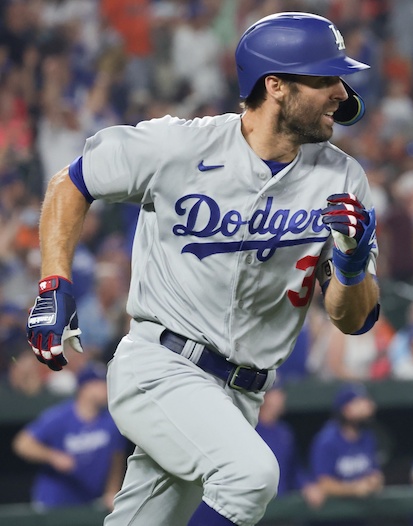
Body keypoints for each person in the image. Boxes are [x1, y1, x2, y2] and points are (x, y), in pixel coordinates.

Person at [25, 12, 380, 526]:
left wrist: (348, 265)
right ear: (274, 85)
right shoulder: (180, 146)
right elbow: (71, 182)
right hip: (160, 365)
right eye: (324, 79)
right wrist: (54, 282)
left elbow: (354, 318)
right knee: (250, 475)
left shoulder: (343, 178)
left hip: (242, 393)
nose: (341, 93)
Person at [12, 362, 127, 511]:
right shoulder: (60, 417)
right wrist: (52, 456)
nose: (106, 389)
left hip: (90, 500)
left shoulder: (110, 421)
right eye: (100, 384)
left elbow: (116, 459)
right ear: (85, 388)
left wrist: (112, 491)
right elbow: (22, 444)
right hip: (54, 502)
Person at [306, 383, 383, 519]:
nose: (368, 406)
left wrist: (374, 480)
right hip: (330, 518)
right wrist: (354, 489)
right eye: (359, 402)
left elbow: (374, 472)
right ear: (346, 409)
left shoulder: (368, 437)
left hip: (361, 515)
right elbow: (323, 483)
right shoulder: (326, 440)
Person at [254, 376, 298, 497]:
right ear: (265, 396)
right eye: (278, 393)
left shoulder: (285, 432)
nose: (283, 397)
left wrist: (307, 485)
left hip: (281, 504)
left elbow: (293, 471)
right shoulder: (250, 429)